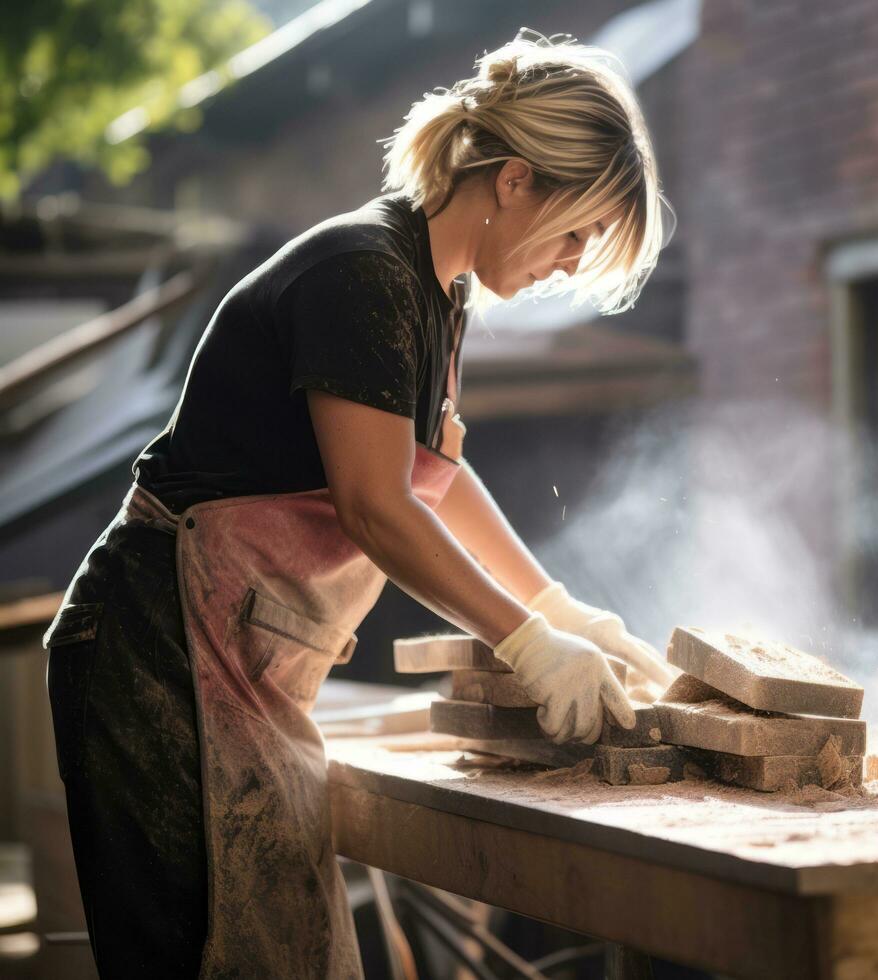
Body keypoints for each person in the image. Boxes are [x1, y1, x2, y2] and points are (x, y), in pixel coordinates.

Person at [41, 29, 676, 979]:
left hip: (237, 669)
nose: (575, 262)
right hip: (155, 656)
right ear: (513, 182)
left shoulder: (436, 294)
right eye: (577, 230)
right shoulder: (364, 273)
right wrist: (529, 648)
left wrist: (561, 611)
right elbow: (379, 509)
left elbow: (439, 483)